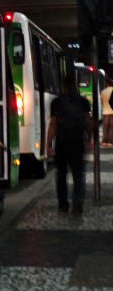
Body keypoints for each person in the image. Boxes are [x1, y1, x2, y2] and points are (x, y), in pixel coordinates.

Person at [46, 75, 93, 215]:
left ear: (62, 86)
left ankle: (63, 204)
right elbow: (88, 122)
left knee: (61, 174)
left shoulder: (56, 102)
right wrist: (88, 138)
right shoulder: (84, 102)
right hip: (77, 139)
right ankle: (77, 201)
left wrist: (48, 144)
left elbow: (53, 124)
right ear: (75, 85)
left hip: (62, 140)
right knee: (78, 173)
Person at [101, 81, 113, 147]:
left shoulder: (103, 91)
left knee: (105, 127)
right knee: (111, 127)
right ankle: (110, 142)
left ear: (107, 84)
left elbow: (102, 101)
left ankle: (104, 141)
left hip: (105, 112)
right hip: (112, 112)